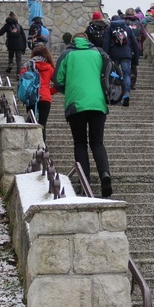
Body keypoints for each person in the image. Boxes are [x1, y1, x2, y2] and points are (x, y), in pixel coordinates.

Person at [52, 32, 113, 198]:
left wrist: (70, 89)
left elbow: (57, 81)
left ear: (73, 41)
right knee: (97, 142)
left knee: (80, 143)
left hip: (75, 105)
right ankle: (105, 174)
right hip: (98, 104)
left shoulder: (66, 54)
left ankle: (84, 181)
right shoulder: (98, 53)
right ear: (87, 40)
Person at [21, 44, 57, 143]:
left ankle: (29, 144)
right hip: (45, 98)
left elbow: (22, 80)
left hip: (31, 96)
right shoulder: (50, 67)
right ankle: (42, 147)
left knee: (30, 123)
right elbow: (58, 84)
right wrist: (48, 91)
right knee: (42, 125)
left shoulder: (27, 65)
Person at [103, 15, 139, 107]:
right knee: (126, 74)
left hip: (114, 55)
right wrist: (135, 58)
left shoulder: (110, 28)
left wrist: (106, 56)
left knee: (114, 73)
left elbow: (106, 42)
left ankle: (116, 94)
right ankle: (126, 94)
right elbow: (135, 43)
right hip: (126, 55)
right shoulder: (127, 27)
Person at [123, 7, 148, 90]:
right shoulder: (139, 23)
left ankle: (125, 81)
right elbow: (144, 35)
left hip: (125, 46)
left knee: (125, 63)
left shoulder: (123, 22)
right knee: (134, 66)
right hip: (136, 46)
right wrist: (139, 42)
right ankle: (133, 84)